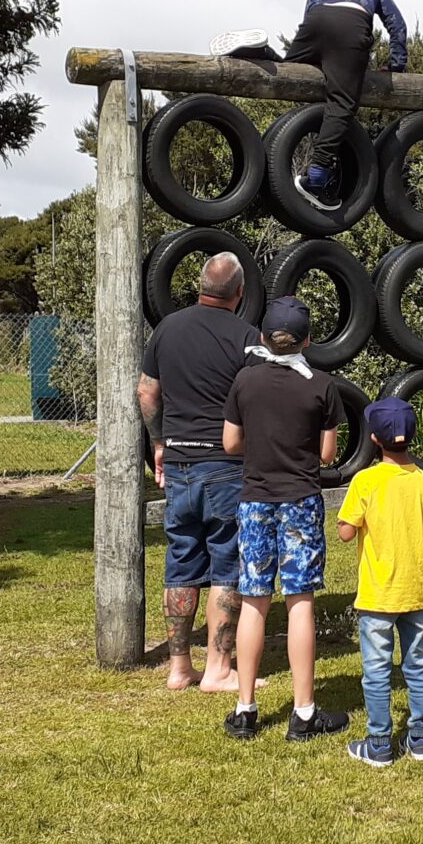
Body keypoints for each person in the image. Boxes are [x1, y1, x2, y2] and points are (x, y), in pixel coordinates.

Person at [220, 297, 350, 743]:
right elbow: (328, 454)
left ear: (262, 338)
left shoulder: (244, 381)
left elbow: (231, 443)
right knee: (300, 602)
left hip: (255, 499)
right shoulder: (322, 386)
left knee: (254, 601)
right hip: (300, 500)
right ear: (307, 340)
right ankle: (304, 712)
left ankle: (245, 708)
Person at [137, 253, 260, 692]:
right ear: (239, 293)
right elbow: (258, 401)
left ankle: (178, 668)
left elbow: (148, 392)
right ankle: (219, 668)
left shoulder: (167, 328)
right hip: (228, 464)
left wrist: (158, 443)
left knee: (181, 559)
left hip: (180, 462)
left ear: (200, 287)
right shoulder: (247, 337)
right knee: (228, 562)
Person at [337, 398, 423, 768]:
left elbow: (347, 533)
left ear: (375, 438)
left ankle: (379, 742)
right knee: (418, 663)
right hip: (415, 591)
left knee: (377, 669)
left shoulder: (365, 480)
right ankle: (421, 738)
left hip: (378, 594)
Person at [284, 0, 408, 213]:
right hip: (350, 27)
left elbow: (309, 11)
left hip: (315, 22)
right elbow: (397, 24)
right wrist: (396, 65)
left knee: (287, 72)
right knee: (342, 103)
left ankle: (259, 54)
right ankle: (318, 177)